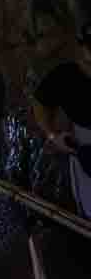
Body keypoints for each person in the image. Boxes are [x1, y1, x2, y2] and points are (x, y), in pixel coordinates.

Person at [32, 22, 91, 219]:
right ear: (81, 47)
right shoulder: (66, 75)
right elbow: (40, 102)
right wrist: (52, 134)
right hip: (83, 145)